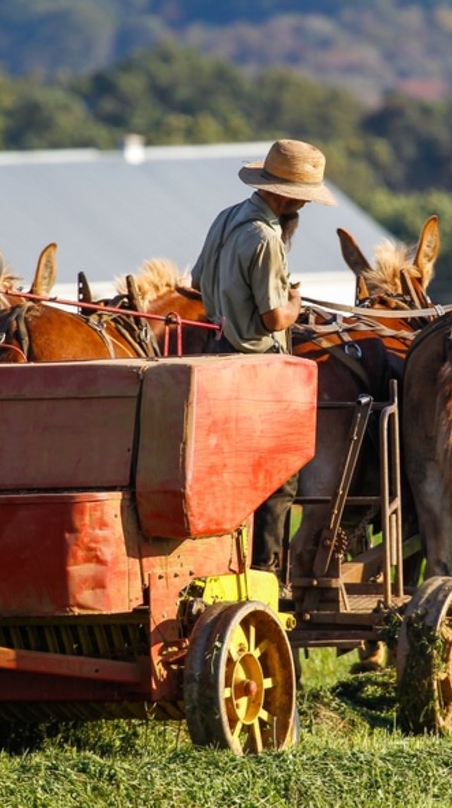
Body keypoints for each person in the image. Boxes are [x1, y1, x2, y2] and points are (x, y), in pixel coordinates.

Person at [191, 138, 335, 575]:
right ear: (286, 196)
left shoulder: (226, 218)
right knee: (279, 475)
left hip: (218, 355)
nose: (302, 210)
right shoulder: (266, 237)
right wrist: (294, 302)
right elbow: (274, 319)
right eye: (302, 202)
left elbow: (198, 280)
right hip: (258, 367)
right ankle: (268, 569)